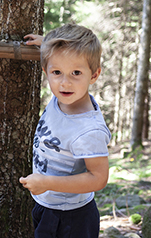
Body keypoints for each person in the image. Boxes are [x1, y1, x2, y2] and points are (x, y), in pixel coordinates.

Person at [19, 24, 111, 238]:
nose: (65, 82)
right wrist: (47, 44)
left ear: (94, 75)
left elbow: (99, 178)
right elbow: (60, 60)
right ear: (46, 71)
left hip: (71, 217)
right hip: (47, 204)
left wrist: (47, 183)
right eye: (57, 72)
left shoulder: (89, 130)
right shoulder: (64, 96)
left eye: (76, 73)